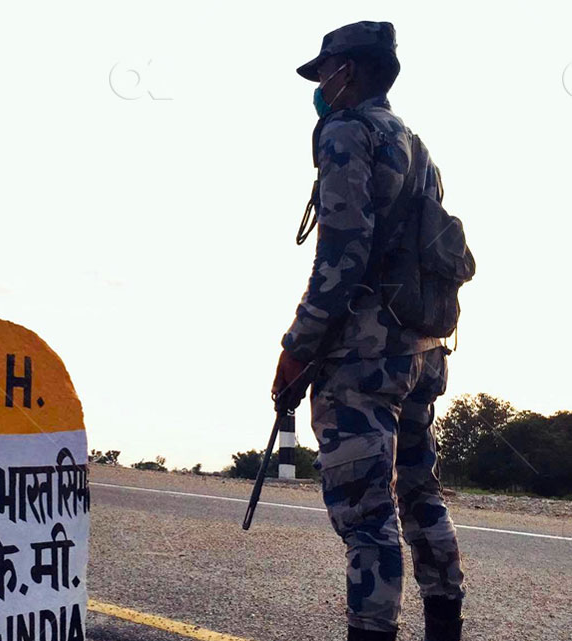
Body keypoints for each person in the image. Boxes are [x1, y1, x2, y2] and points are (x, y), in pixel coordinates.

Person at [271, 21, 466, 641]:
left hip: (362, 358)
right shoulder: (415, 143)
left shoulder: (346, 132)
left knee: (367, 517)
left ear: (346, 72)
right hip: (421, 352)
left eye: (324, 72)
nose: (320, 86)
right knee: (420, 495)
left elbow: (342, 256)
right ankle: (445, 627)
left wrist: (295, 351)